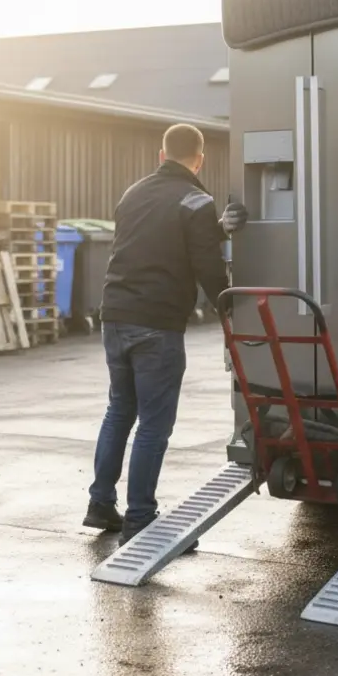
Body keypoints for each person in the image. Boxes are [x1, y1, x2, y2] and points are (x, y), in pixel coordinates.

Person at [83, 123, 248, 546]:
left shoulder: (133, 193)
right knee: (154, 425)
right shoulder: (196, 199)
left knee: (120, 410)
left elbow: (156, 239)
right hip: (156, 325)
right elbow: (207, 267)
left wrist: (215, 227)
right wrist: (231, 313)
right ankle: (141, 518)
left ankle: (100, 503)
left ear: (161, 155)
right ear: (200, 159)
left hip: (115, 315)